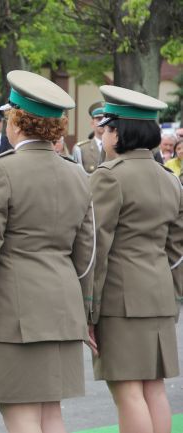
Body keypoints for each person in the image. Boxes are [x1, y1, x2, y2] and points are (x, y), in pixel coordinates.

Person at [0, 70, 95, 433]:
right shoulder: (77, 174)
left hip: (14, 310)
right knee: (51, 412)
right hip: (63, 304)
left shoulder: (1, 170)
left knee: (20, 412)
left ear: (17, 121)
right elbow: (86, 253)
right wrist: (86, 309)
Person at [90, 85, 182, 433]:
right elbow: (178, 248)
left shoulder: (110, 175)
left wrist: (88, 306)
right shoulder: (169, 179)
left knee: (127, 389)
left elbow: (96, 247)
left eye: (107, 127)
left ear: (120, 132)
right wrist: (173, 290)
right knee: (153, 386)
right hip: (159, 292)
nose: (104, 134)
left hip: (119, 297)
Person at [74, 102, 106, 173]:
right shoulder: (81, 149)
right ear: (92, 123)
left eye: (105, 119)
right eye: (99, 119)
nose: (103, 122)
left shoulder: (116, 147)